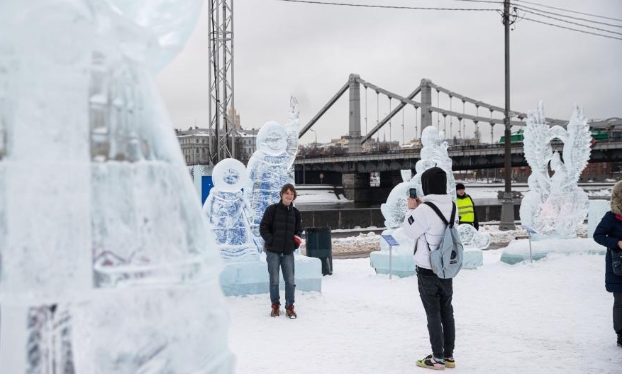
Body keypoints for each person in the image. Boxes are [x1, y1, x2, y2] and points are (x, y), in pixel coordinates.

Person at [403, 167, 457, 370]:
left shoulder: (424, 210)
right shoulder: (452, 205)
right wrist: (421, 207)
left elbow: (410, 231)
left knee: (433, 314)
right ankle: (449, 355)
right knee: (447, 312)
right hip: (446, 267)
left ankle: (437, 358)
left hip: (427, 268)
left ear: (426, 185)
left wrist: (411, 209)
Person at [260, 183, 302, 319]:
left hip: (288, 252)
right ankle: (275, 306)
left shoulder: (295, 213)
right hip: (273, 252)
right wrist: (271, 241)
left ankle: (290, 307)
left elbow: (298, 231)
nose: (289, 195)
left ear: (293, 196)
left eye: (291, 193)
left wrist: (294, 244)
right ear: (281, 194)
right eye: (287, 193)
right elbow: (263, 228)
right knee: (274, 281)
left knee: (290, 281)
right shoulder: (272, 210)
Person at [592, 180, 622, 348]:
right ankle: (621, 334)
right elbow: (598, 236)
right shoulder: (611, 217)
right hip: (618, 267)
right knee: (620, 302)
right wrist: (617, 242)